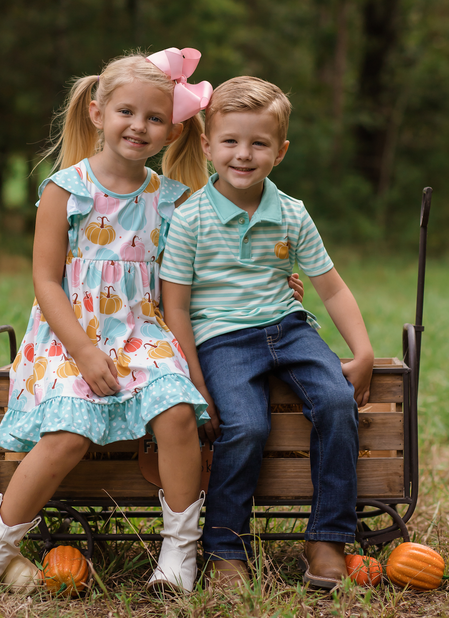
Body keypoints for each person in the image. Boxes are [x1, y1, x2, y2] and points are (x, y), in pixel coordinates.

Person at [0, 48, 217, 596]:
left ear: (172, 130)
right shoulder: (65, 190)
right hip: (69, 335)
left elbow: (190, 282)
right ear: (97, 112)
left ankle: (177, 553)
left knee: (178, 413)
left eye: (155, 117)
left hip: (144, 334)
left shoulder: (171, 201)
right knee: (68, 432)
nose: (138, 126)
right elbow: (47, 282)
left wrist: (280, 280)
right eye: (126, 112)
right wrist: (86, 352)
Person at [160, 76, 374, 590]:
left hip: (288, 327)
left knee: (335, 402)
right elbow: (176, 308)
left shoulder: (292, 214)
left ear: (280, 152)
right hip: (221, 339)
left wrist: (362, 351)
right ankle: (225, 547)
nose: (243, 154)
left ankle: (326, 538)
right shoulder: (189, 219)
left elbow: (332, 288)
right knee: (248, 426)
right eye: (230, 141)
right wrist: (196, 380)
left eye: (259, 143)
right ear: (208, 145)